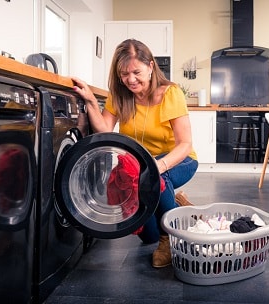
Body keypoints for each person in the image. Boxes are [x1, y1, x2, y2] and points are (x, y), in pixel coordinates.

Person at [71, 39, 198, 268]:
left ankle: (170, 237)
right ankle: (177, 208)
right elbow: (104, 129)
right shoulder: (121, 95)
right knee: (147, 235)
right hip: (143, 168)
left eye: (136, 72)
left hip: (178, 160)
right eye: (124, 74)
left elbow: (185, 144)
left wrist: (158, 167)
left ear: (151, 66)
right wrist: (90, 100)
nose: (131, 79)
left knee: (157, 178)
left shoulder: (170, 93)